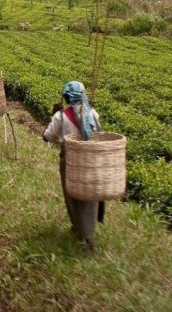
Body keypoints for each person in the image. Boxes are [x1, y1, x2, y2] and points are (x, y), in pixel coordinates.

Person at [42, 81, 104, 251]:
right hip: (91, 160)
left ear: (66, 97)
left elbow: (47, 136)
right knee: (89, 194)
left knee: (73, 194)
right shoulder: (93, 114)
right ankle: (88, 229)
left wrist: (54, 116)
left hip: (69, 159)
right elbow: (99, 135)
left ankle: (82, 232)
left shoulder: (60, 117)